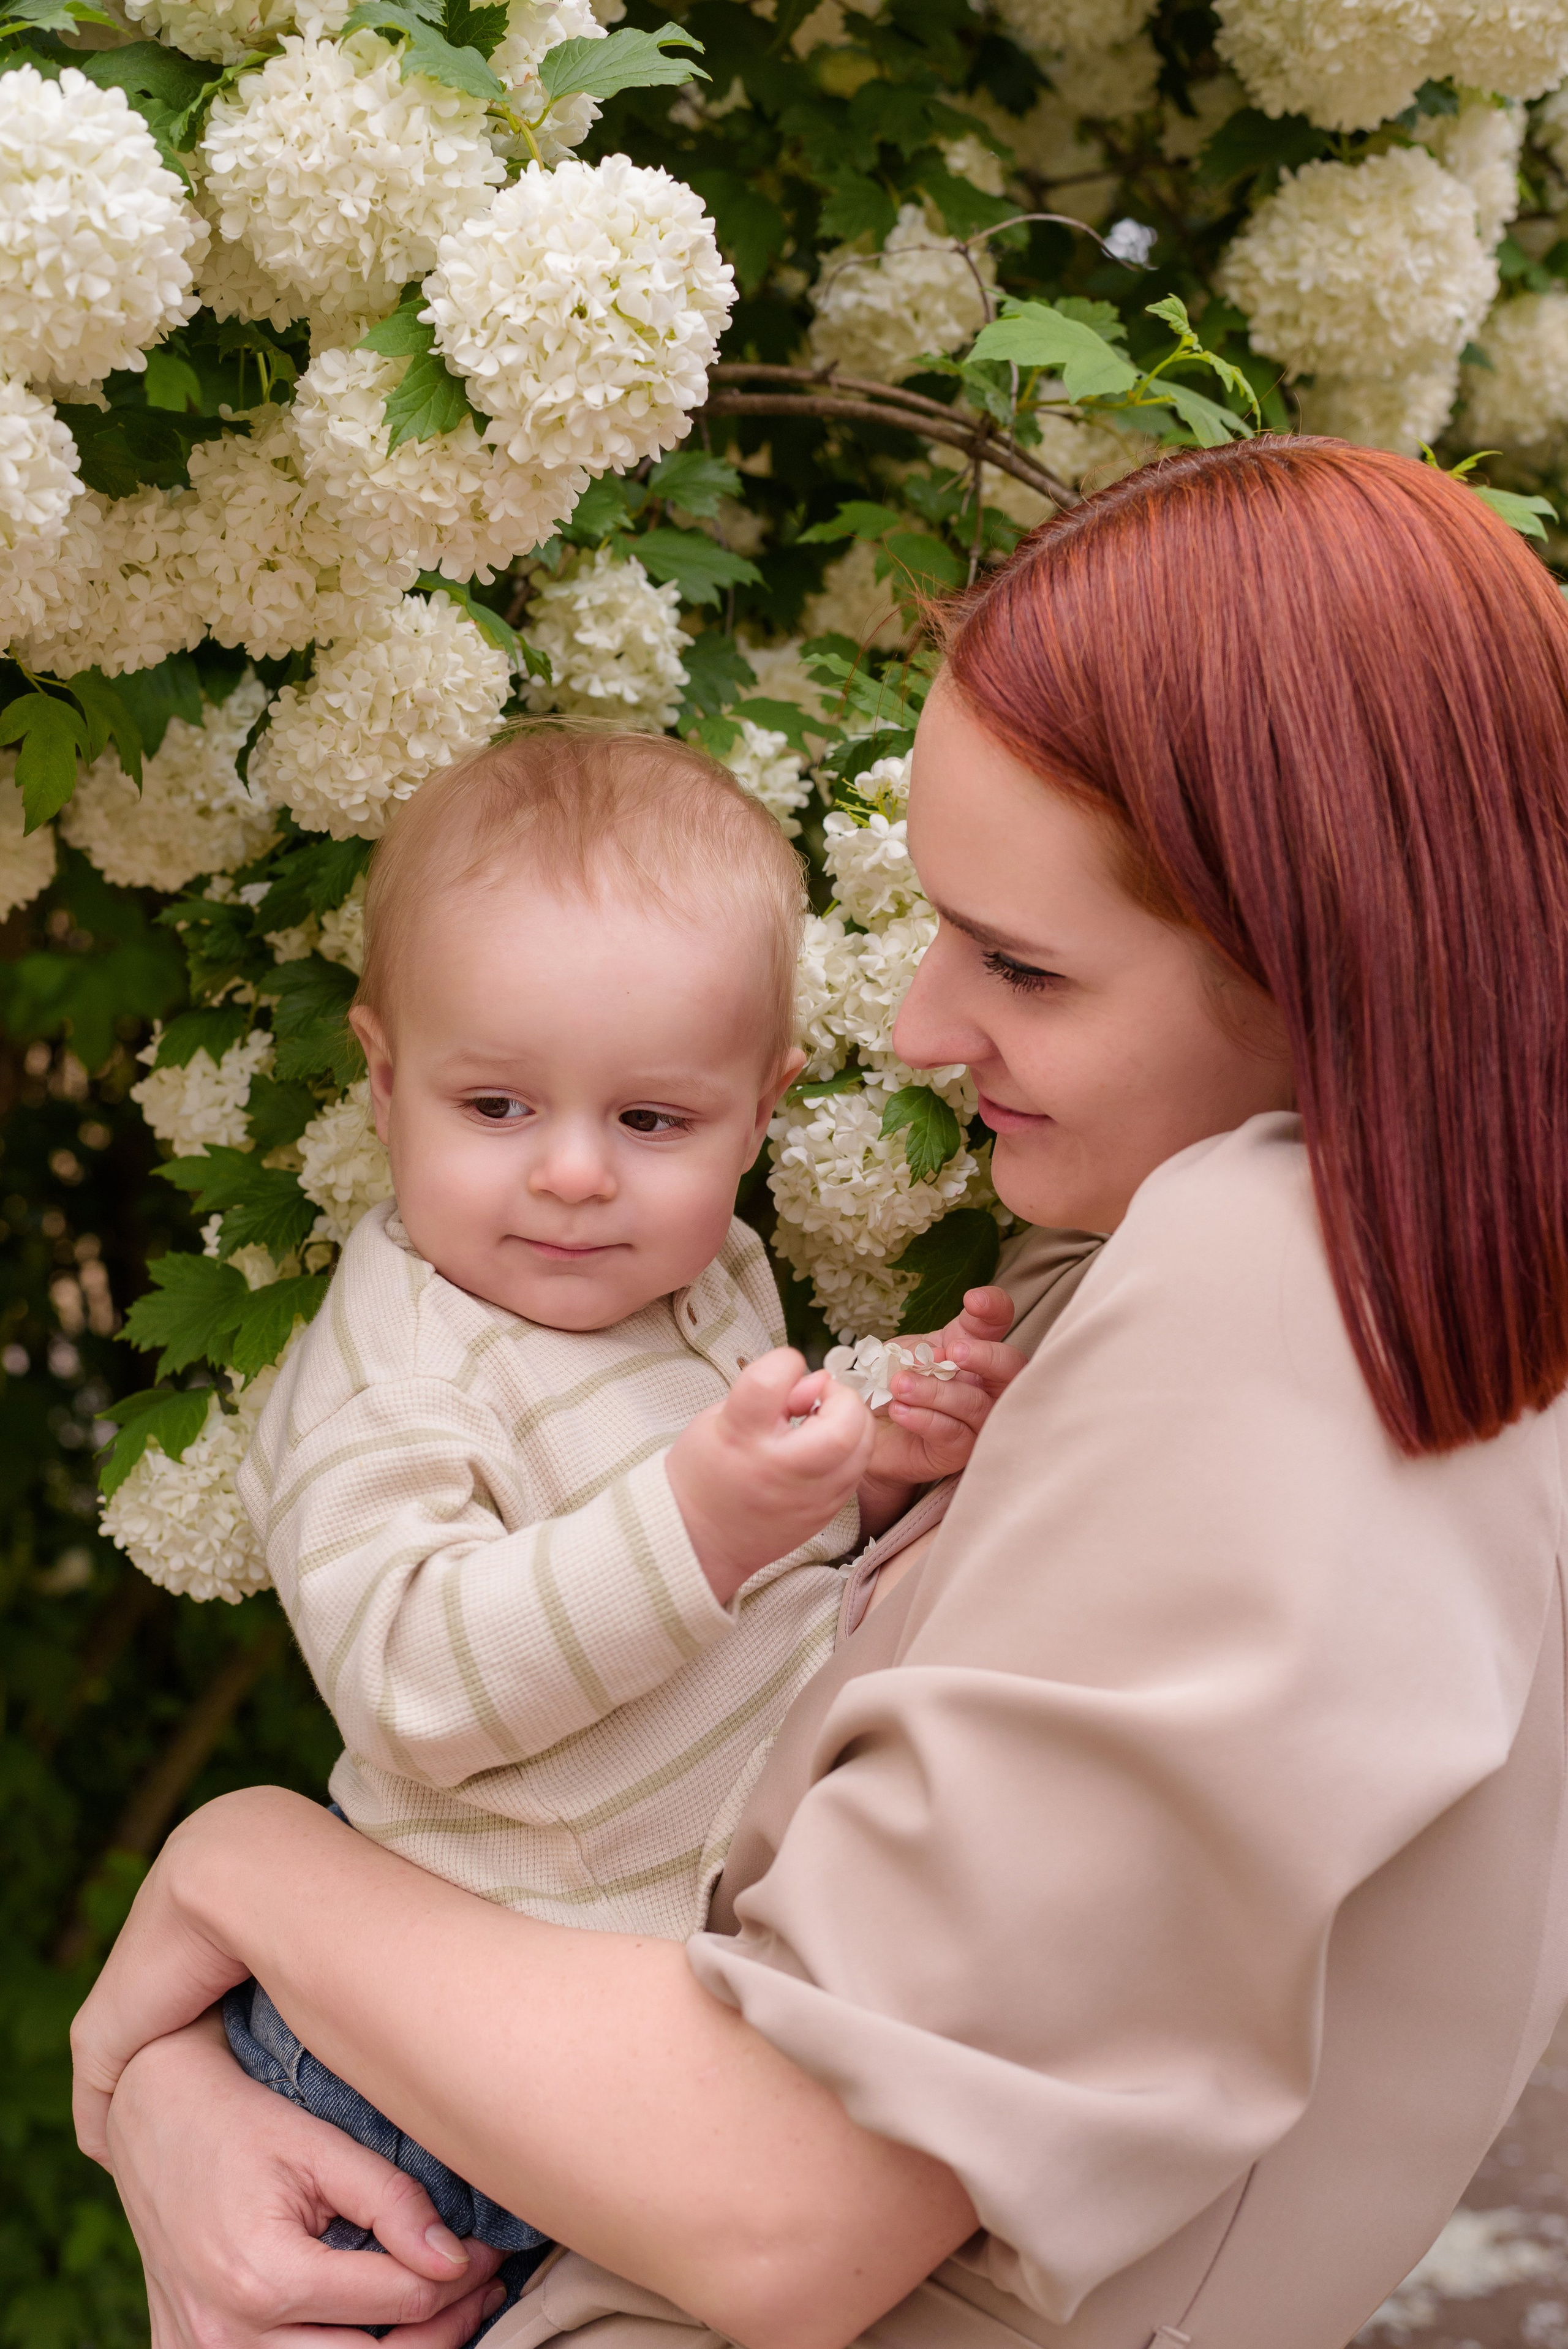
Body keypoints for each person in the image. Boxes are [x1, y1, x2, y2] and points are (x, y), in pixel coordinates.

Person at [72, 437, 1568, 2349]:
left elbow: (786, 2197)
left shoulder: (1284, 1280)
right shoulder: (1365, 1260)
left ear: (1325, 948)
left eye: (1022, 963)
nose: (928, 1028)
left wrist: (244, 1864)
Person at [218, 725, 1022, 2327]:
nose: (576, 1173)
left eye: (652, 1119)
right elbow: (413, 1685)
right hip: (419, 2073)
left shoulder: (700, 1275)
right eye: (499, 1103)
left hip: (625, 2043)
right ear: (383, 1079)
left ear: (761, 1109)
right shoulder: (402, 1378)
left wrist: (859, 1453)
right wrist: (702, 1523)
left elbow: (728, 1525)